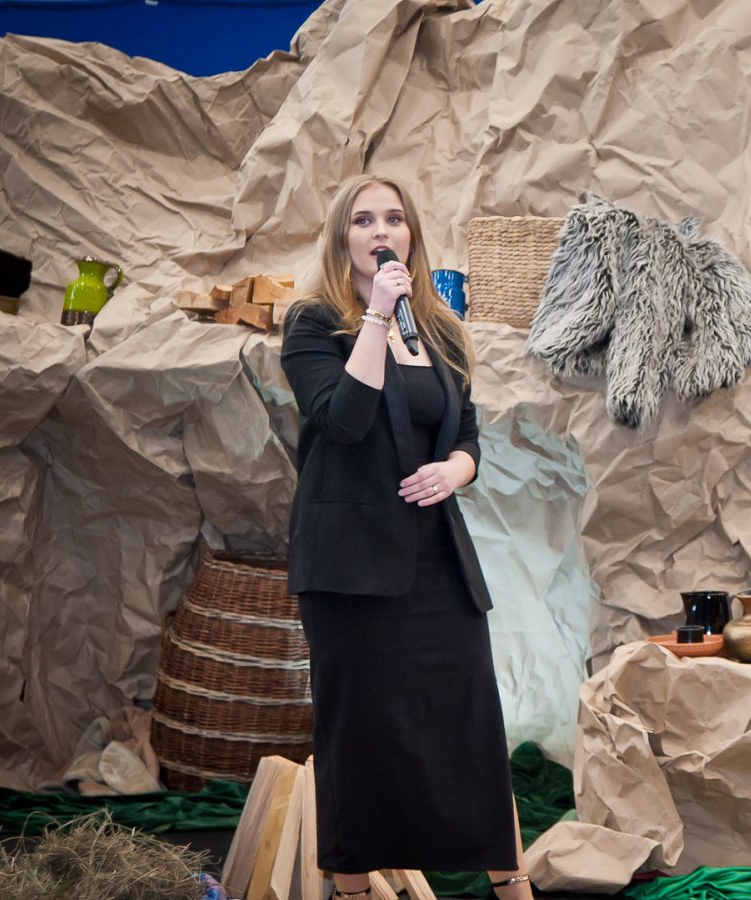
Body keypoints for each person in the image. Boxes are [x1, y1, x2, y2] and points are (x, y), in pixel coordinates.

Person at [281, 174, 531, 899]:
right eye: (363, 220)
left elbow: (468, 434)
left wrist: (456, 469)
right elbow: (343, 420)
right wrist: (376, 317)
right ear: (343, 238)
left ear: (411, 235)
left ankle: (514, 889)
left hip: (437, 564)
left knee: (471, 732)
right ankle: (357, 891)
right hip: (350, 571)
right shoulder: (312, 324)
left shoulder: (441, 331)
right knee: (358, 740)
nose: (380, 231)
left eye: (393, 219)